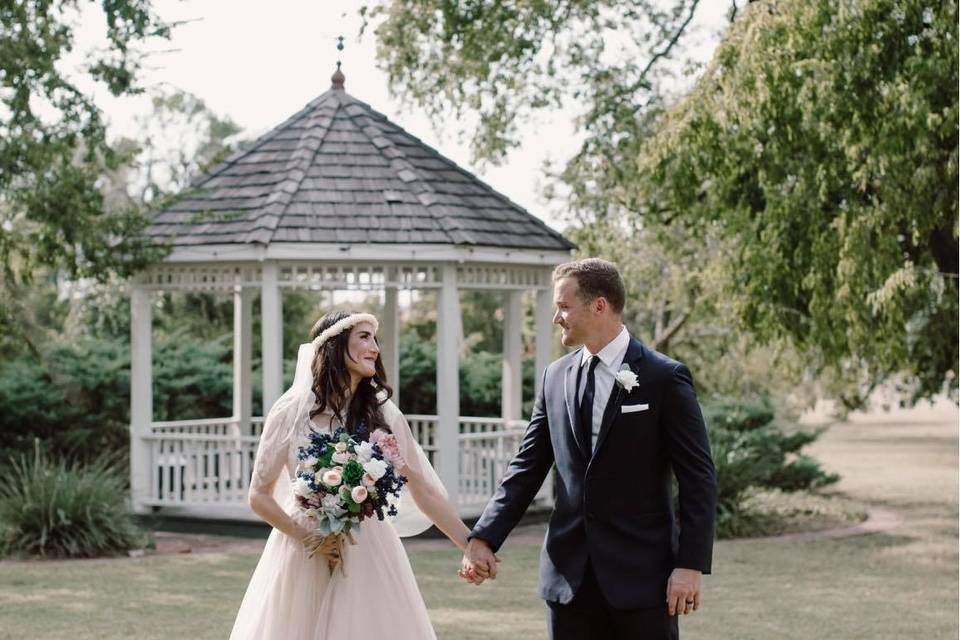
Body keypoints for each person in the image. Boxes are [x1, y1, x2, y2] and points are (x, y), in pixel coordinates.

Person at [460, 258, 717, 640]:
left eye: (564, 306)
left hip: (643, 578)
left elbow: (698, 478)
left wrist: (690, 565)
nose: (556, 317)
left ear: (599, 306)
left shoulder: (664, 378)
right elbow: (527, 466)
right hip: (568, 579)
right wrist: (484, 537)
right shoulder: (554, 377)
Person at [230, 310, 471, 640]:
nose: (374, 346)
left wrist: (470, 544)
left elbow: (423, 491)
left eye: (375, 339)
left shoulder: (384, 414)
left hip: (367, 550)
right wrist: (309, 538)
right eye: (363, 337)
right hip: (304, 552)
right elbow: (258, 496)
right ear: (333, 345)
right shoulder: (290, 412)